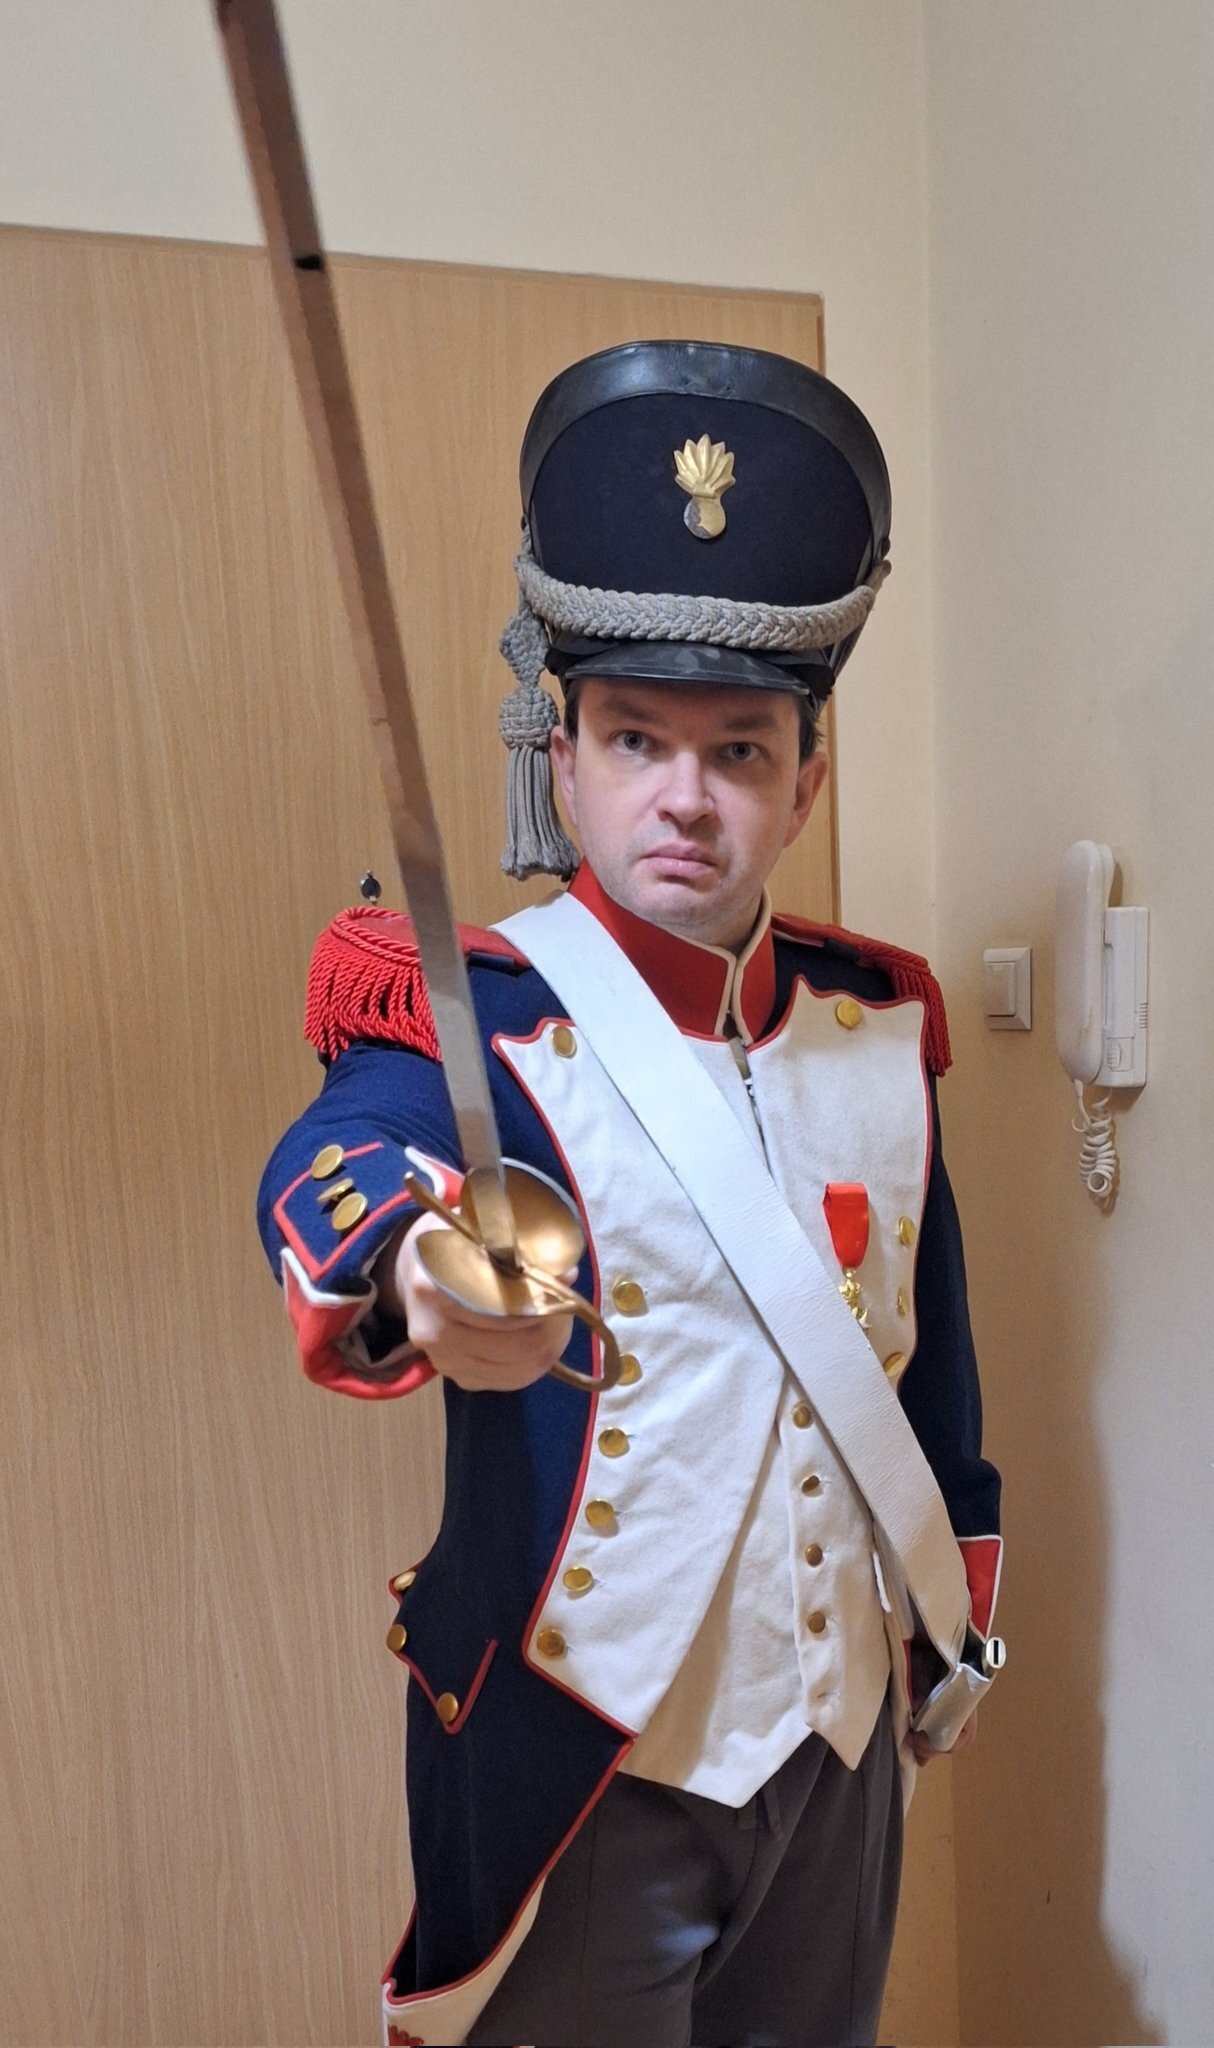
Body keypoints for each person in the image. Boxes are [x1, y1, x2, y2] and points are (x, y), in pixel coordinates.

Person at [257, 340, 1003, 2048]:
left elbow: (927, 1368)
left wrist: (949, 1605)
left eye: (737, 748)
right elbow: (344, 1158)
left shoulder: (877, 1027)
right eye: (634, 739)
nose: (684, 795)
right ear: (565, 758)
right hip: (588, 1759)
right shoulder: (476, 1015)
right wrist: (418, 1271)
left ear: (804, 780)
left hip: (836, 1750)